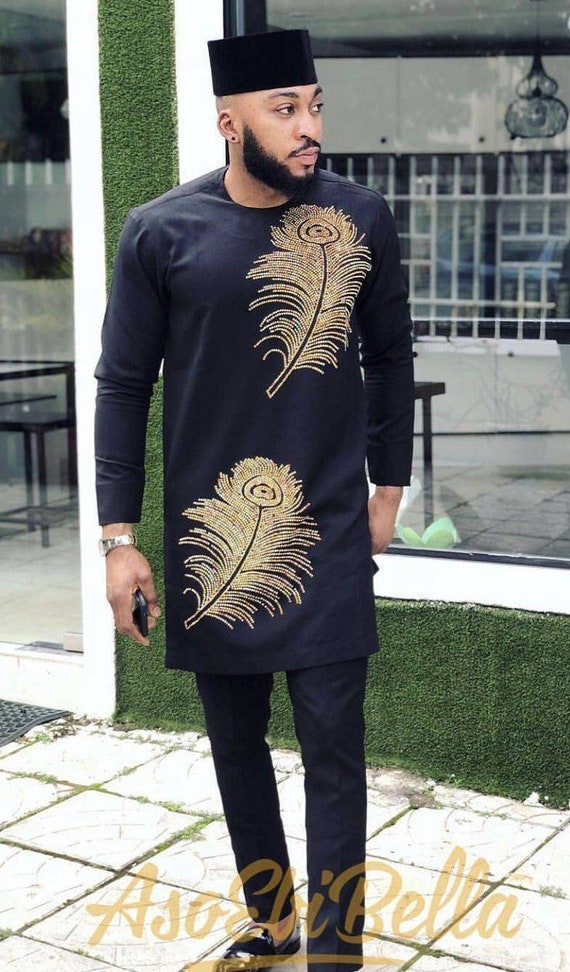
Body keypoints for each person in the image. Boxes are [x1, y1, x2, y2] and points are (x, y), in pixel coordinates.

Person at [94, 29, 415, 972]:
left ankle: (335, 952)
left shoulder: (359, 219)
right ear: (229, 123)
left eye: (314, 105)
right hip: (218, 538)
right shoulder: (161, 232)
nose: (309, 126)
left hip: (330, 525)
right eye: (286, 110)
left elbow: (391, 357)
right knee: (237, 746)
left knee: (334, 753)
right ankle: (274, 922)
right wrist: (119, 537)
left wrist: (389, 487)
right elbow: (122, 385)